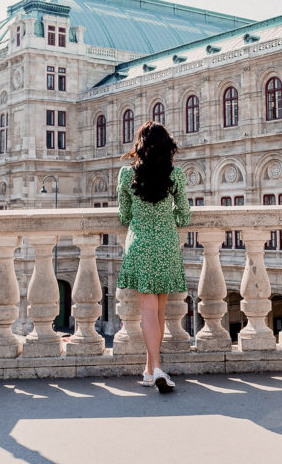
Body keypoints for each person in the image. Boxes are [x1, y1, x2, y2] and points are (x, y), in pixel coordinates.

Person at [116, 121, 190, 393]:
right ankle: (152, 369)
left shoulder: (126, 176)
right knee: (158, 310)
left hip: (141, 244)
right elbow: (184, 214)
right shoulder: (176, 175)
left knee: (148, 310)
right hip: (166, 244)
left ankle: (154, 368)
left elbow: (124, 215)